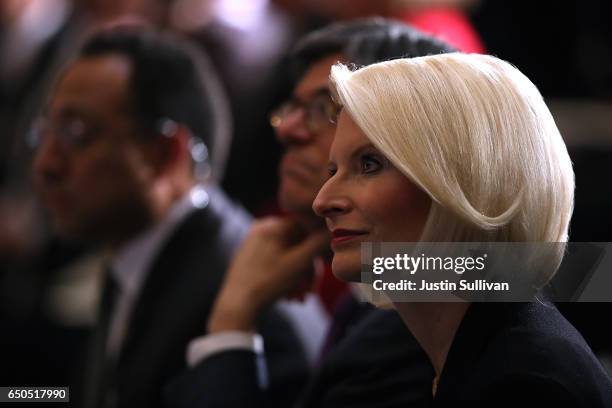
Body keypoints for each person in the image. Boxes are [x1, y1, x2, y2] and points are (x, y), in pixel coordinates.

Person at [167, 19, 455, 408]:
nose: (286, 129)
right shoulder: (371, 297)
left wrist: (231, 322)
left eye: (322, 108)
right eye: (293, 108)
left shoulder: (425, 323)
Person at [313, 53, 612, 406]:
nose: (323, 200)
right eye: (333, 171)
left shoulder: (524, 384)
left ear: (467, 179)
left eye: (369, 164)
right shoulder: (486, 352)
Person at [32, 27, 306, 408]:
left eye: (76, 133)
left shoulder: (240, 291)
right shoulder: (138, 249)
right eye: (44, 133)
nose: (46, 163)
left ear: (164, 154)